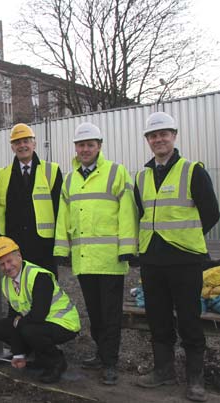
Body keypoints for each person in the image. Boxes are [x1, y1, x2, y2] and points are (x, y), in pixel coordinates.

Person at [134, 112, 219, 402]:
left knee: (189, 321)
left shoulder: (192, 170)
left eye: (164, 134)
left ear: (174, 136)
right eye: (153, 136)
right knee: (158, 319)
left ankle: (196, 380)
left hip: (185, 261)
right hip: (152, 262)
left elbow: (211, 211)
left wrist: (186, 237)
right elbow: (141, 214)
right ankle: (163, 371)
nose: (158, 140)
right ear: (148, 140)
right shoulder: (142, 175)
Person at [54, 122, 138, 385]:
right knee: (95, 312)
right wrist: (61, 249)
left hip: (110, 260)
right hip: (84, 259)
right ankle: (101, 354)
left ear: (99, 146)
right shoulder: (70, 180)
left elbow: (128, 213)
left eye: (90, 144)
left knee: (111, 314)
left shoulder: (116, 173)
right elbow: (62, 218)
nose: (85, 149)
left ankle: (110, 362)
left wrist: (127, 249)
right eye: (81, 145)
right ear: (75, 148)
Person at [0, 236, 80, 384]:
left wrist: (18, 327)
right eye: (2, 264)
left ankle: (56, 362)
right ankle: (36, 356)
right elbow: (14, 317)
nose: (7, 267)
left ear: (19, 256)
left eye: (9, 261)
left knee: (29, 330)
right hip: (38, 323)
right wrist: (18, 353)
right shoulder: (6, 283)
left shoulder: (38, 275)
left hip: (64, 323)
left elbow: (38, 315)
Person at [0, 123, 63, 279]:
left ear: (34, 143)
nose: (22, 145)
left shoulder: (52, 171)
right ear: (12, 147)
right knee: (18, 291)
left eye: (26, 141)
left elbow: (60, 210)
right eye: (17, 142)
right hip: (14, 247)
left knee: (46, 290)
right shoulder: (2, 175)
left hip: (44, 246)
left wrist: (60, 245)